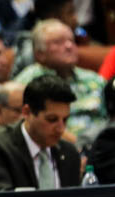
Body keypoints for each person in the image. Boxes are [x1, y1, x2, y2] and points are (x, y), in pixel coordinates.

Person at [0, 72, 82, 191]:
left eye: (65, 120)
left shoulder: (69, 153)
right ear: (27, 112)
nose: (61, 128)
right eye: (52, 119)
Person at [14, 19, 107, 147]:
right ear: (39, 54)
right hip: (54, 148)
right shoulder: (24, 84)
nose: (69, 46)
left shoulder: (94, 79)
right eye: (58, 42)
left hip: (100, 145)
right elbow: (23, 125)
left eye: (71, 41)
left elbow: (112, 117)